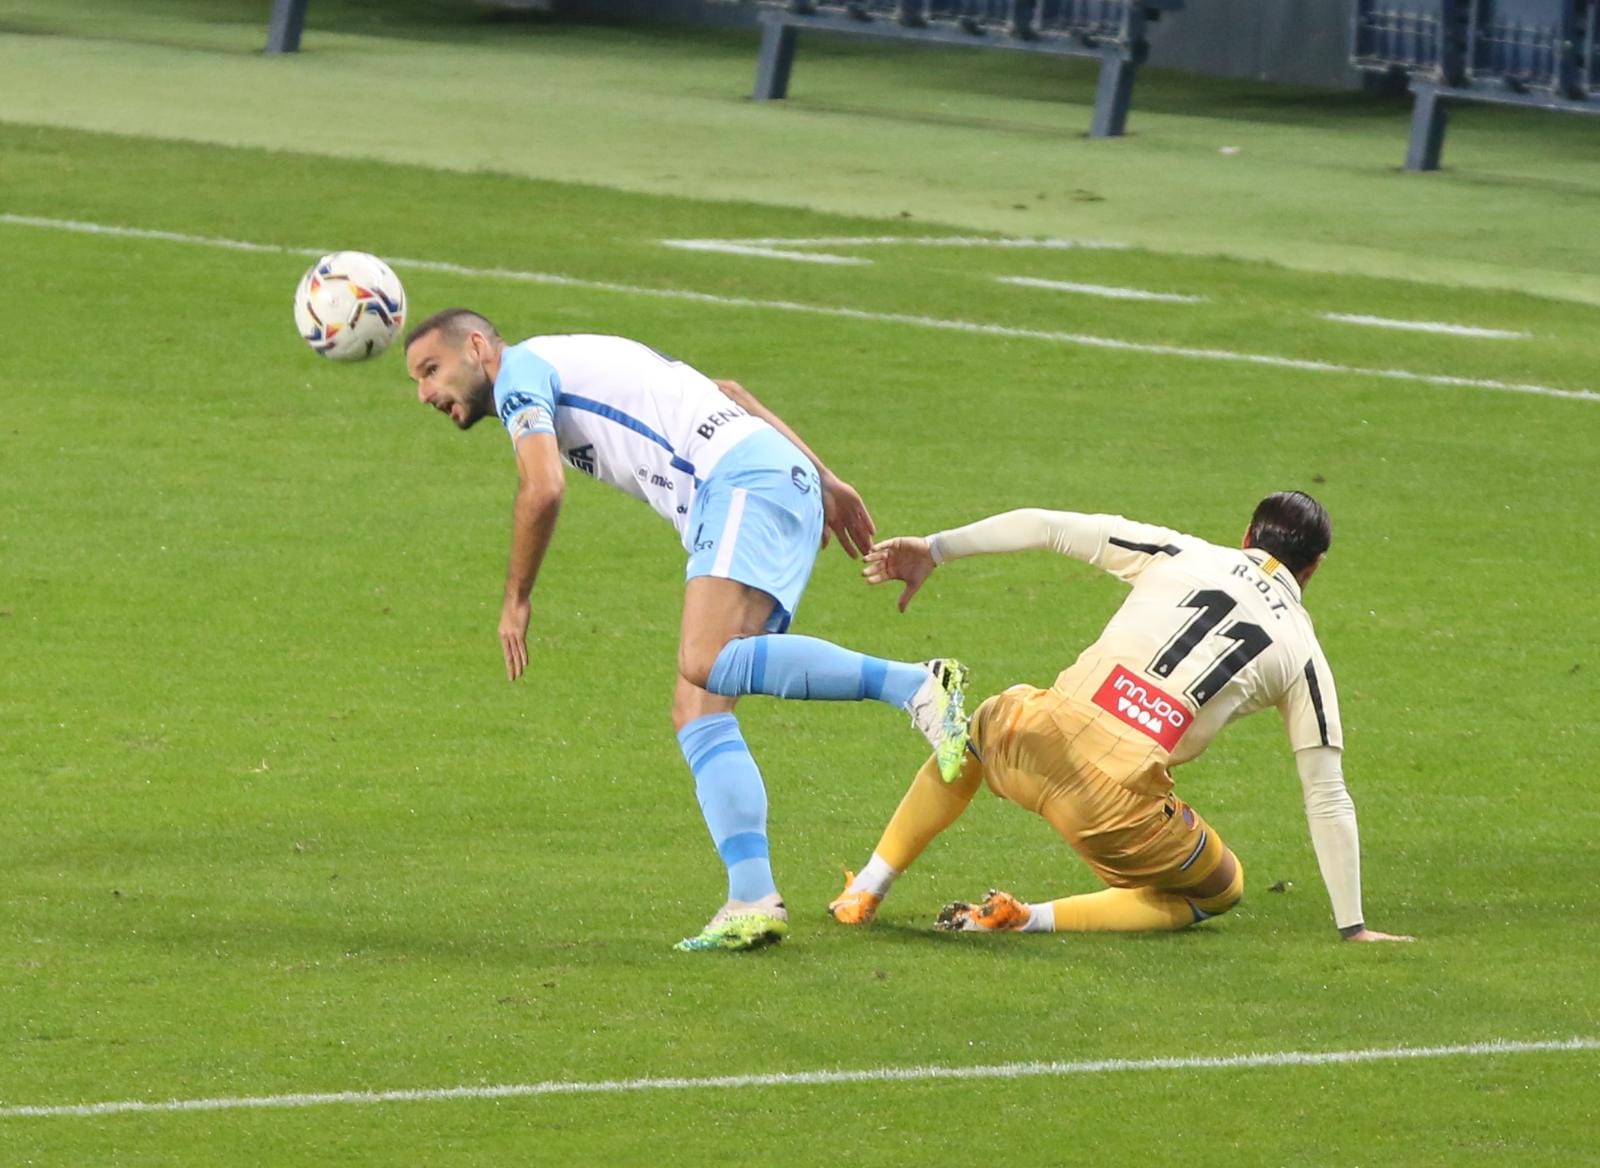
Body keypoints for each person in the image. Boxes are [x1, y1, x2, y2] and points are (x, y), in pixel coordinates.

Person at [402, 308, 971, 952]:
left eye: (431, 370)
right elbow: (729, 391)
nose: (425, 393)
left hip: (739, 483)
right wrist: (824, 476)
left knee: (705, 657)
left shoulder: (521, 374)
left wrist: (516, 599)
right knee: (695, 708)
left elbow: (544, 487)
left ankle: (918, 685)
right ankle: (752, 900)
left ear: (477, 347)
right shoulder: (571, 355)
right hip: (763, 476)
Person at [828, 492, 1413, 943]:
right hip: (1112, 812)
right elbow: (1327, 792)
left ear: (1246, 535)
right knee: (1220, 889)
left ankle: (868, 888)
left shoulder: (1183, 551)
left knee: (981, 725)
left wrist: (933, 548)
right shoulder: (1303, 653)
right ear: (1313, 569)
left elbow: (1043, 524)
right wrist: (1352, 925)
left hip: (1025, 739)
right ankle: (1027, 919)